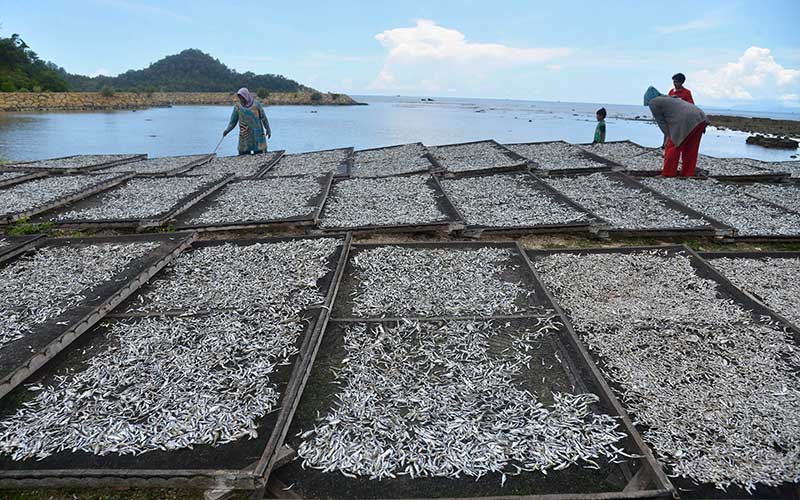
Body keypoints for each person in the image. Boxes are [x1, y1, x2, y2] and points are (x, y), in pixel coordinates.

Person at [644, 86, 709, 177]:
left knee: (672, 147)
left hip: (687, 120)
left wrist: (669, 138)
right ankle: (688, 174)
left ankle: (668, 174)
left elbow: (662, 123)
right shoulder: (669, 98)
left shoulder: (653, 102)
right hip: (701, 118)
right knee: (691, 148)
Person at [223, 88, 271, 155]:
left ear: (246, 96)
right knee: (243, 155)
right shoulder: (238, 107)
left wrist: (268, 129)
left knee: (260, 155)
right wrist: (227, 130)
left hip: (257, 136)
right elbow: (233, 122)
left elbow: (264, 118)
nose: (241, 99)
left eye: (242, 97)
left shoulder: (257, 104)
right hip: (245, 137)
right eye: (240, 97)